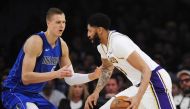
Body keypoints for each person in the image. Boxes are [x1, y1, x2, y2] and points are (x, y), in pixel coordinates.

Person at [1, 8, 100, 109]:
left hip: (33, 95)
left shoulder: (62, 45)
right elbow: (26, 78)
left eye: (63, 22)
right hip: (14, 92)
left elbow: (70, 79)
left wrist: (93, 75)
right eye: (58, 22)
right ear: (48, 23)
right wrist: (56, 74)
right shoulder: (36, 41)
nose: (62, 25)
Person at [84, 13, 176, 109]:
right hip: (139, 85)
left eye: (90, 31)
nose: (88, 34)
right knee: (111, 106)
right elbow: (107, 69)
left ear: (100, 30)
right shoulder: (101, 47)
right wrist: (96, 92)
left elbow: (146, 70)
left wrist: (138, 98)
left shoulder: (118, 42)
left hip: (155, 80)